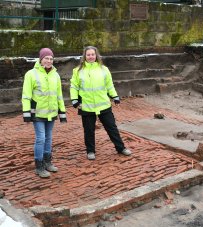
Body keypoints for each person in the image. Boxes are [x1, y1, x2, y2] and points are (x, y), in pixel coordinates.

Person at [70, 46, 131, 160]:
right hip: (87, 106)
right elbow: (74, 87)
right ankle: (90, 151)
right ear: (85, 56)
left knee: (112, 127)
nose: (91, 56)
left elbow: (109, 85)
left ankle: (121, 148)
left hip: (103, 104)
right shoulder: (78, 71)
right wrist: (74, 100)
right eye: (88, 55)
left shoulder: (104, 69)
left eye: (92, 54)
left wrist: (115, 96)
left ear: (96, 55)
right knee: (89, 130)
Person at [22, 48, 67, 178]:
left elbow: (59, 95)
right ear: (41, 59)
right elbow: (26, 95)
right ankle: (39, 166)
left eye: (51, 58)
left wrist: (62, 113)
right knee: (40, 138)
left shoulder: (55, 75)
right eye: (46, 58)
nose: (48, 61)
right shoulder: (31, 74)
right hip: (37, 113)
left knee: (48, 138)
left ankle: (48, 162)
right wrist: (26, 114)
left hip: (51, 113)